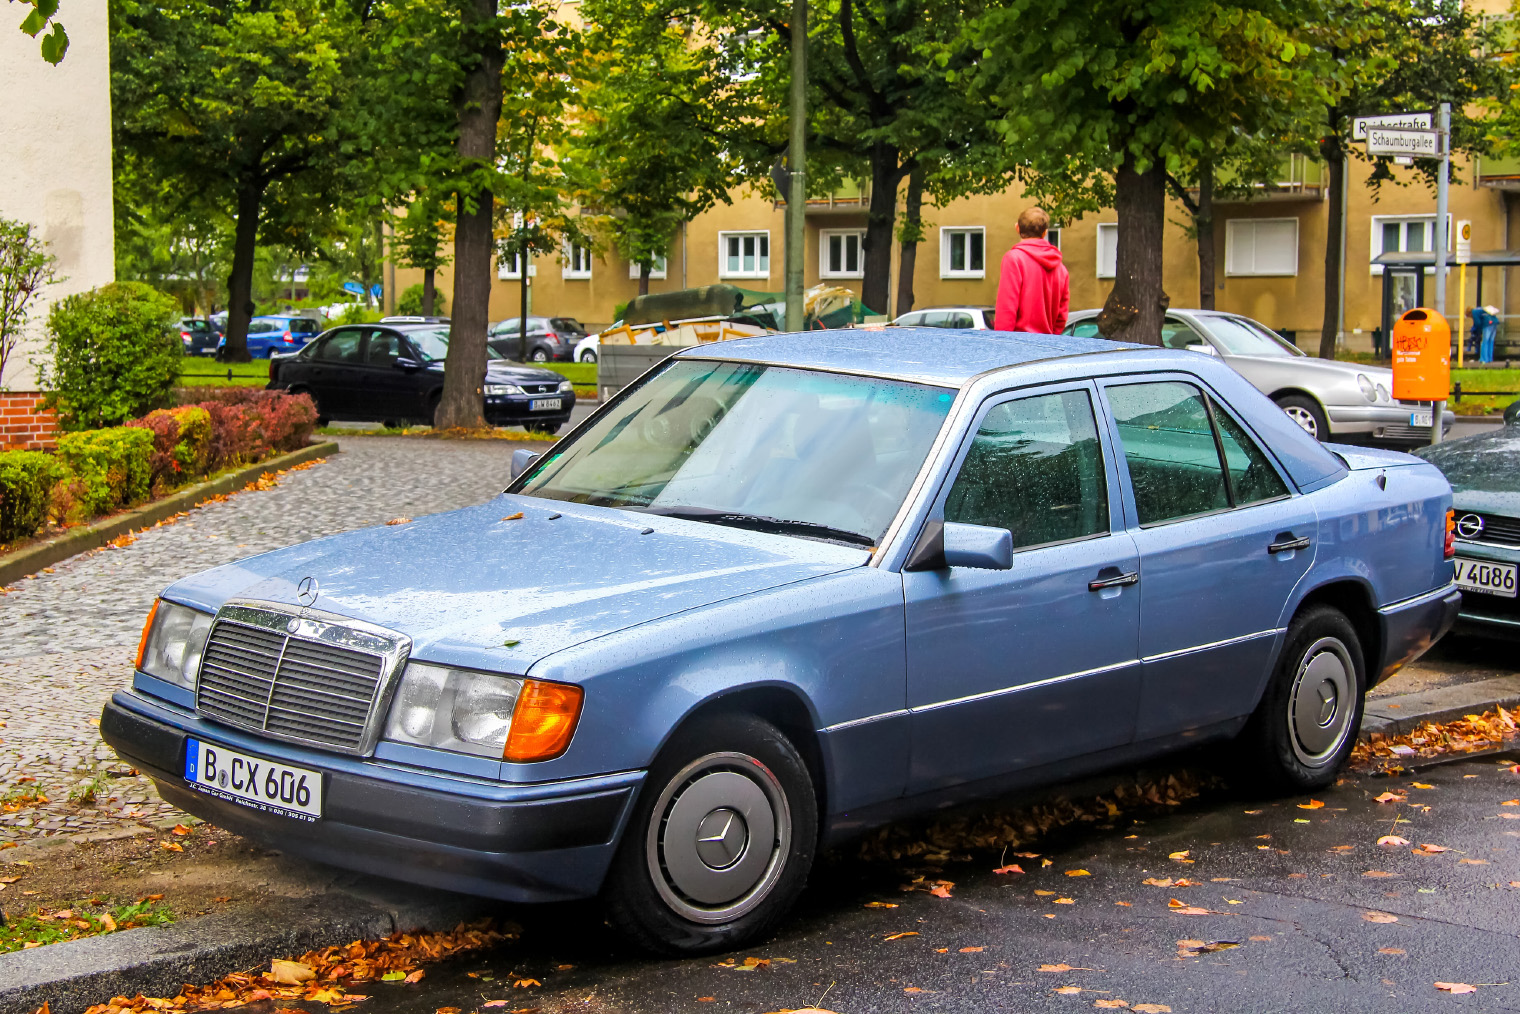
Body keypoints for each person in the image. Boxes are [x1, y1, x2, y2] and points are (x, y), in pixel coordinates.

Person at [994, 207, 1070, 334]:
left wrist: (1001, 343)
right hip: (1048, 346)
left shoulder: (1014, 259)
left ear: (1017, 228)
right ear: (1045, 232)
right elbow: (1061, 316)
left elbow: (1007, 309)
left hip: (1019, 346)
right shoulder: (1061, 269)